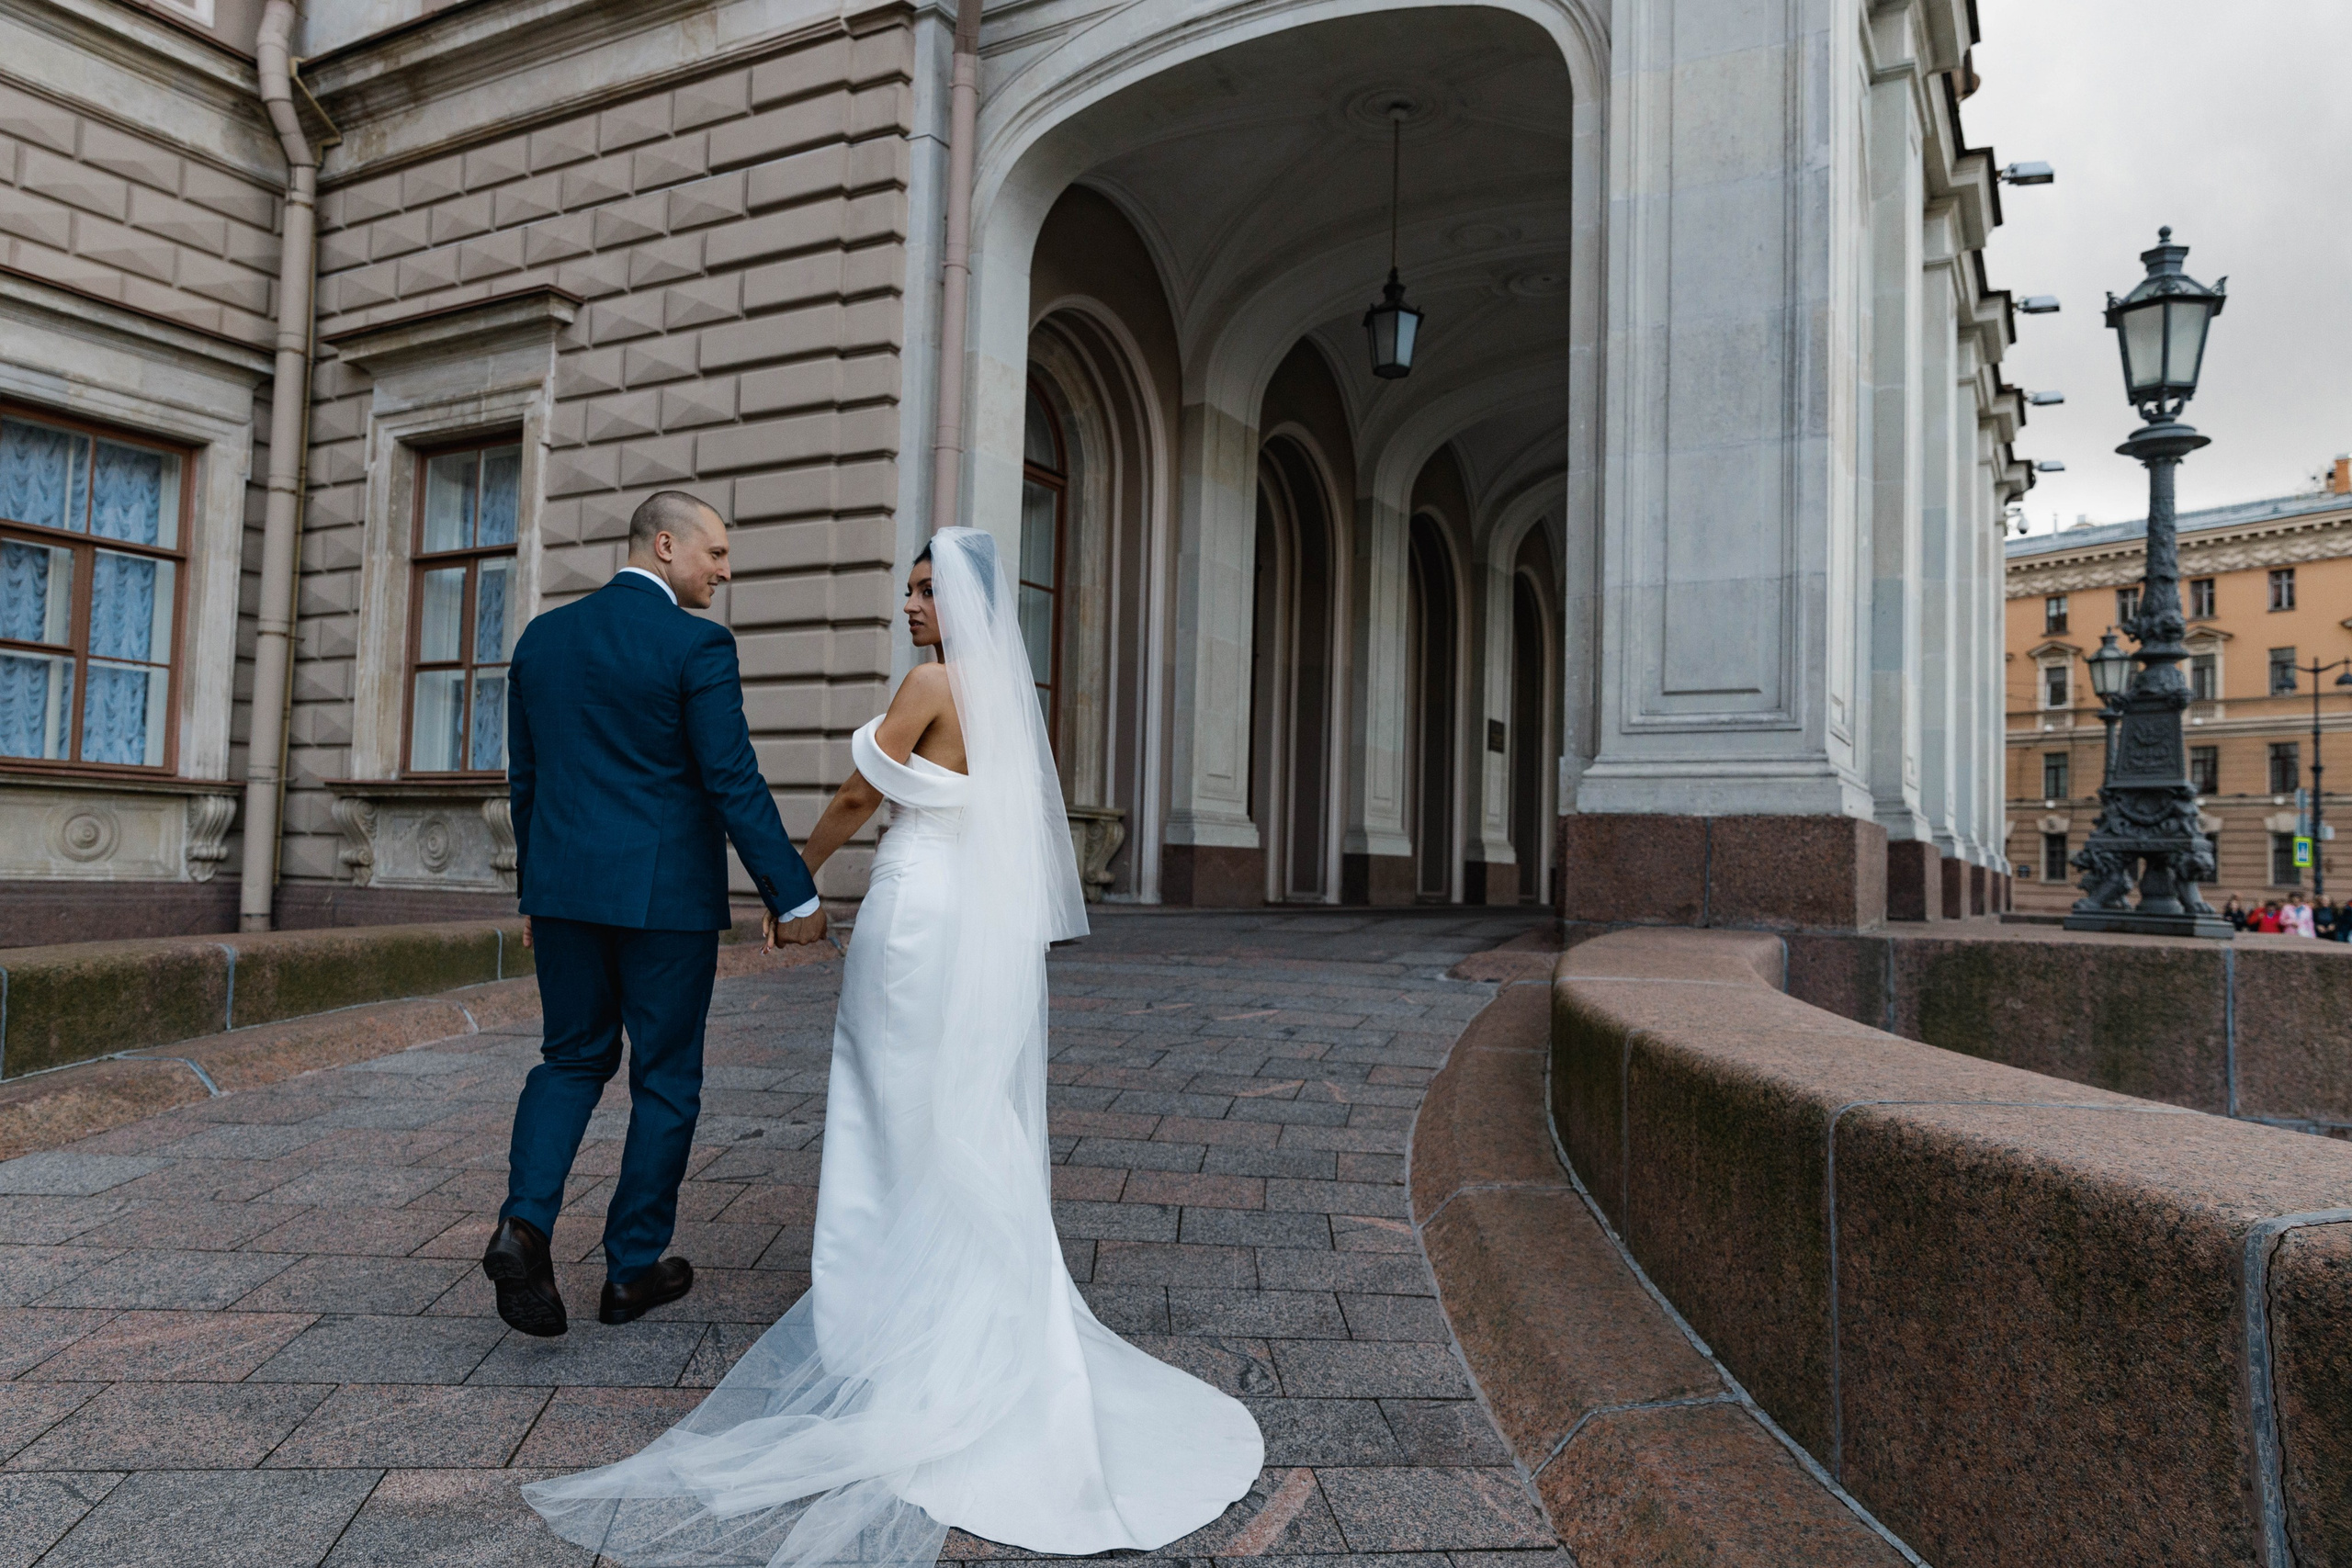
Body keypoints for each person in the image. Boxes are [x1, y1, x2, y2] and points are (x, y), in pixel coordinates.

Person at [525, 529, 1264, 1568]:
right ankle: (945, 1284)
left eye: (925, 590)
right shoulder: (1008, 696)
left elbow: (857, 797)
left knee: (886, 1098)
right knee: (953, 1101)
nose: (910, 605)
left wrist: (793, 882)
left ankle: (882, 1303)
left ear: (963, 603)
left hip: (914, 912)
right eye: (910, 590)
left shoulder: (929, 683)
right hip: (973, 919)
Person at [482, 492, 828, 1339]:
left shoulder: (542, 639)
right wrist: (794, 894)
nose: (725, 570)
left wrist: (535, 892)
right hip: (665, 901)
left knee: (570, 1059)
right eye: (716, 552)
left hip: (564, 894)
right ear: (665, 545)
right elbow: (731, 777)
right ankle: (631, 1270)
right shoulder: (696, 644)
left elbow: (526, 780)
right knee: (665, 1078)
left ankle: (523, 1226)